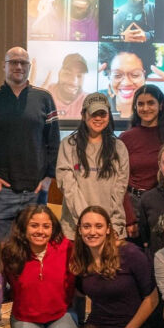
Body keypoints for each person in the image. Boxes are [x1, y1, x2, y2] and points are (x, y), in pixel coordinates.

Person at [0, 47, 60, 239]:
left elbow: (54, 142)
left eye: (23, 63)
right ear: (4, 66)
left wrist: (48, 178)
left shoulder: (44, 98)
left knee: (33, 249)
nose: (19, 66)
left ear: (29, 67)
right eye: (13, 62)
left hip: (35, 191)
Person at [68, 206, 158, 328]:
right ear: (79, 230)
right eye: (86, 226)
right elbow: (78, 291)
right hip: (99, 322)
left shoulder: (130, 253)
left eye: (98, 226)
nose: (92, 232)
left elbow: (152, 298)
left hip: (134, 325)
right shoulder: (82, 257)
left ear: (108, 229)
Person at [2, 205, 77, 328]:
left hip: (60, 313)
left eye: (46, 226)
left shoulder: (66, 248)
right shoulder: (10, 251)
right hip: (25, 315)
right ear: (24, 227)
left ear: (53, 228)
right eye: (34, 225)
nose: (40, 231)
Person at [56, 93, 129, 239]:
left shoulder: (119, 147)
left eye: (103, 114)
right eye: (93, 114)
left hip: (109, 227)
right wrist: (87, 222)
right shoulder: (68, 145)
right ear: (83, 115)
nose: (98, 118)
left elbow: (119, 189)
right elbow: (68, 187)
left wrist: (110, 224)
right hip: (75, 228)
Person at [118, 85, 164, 235]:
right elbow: (119, 181)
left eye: (150, 103)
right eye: (140, 104)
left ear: (160, 105)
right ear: (135, 107)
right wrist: (129, 218)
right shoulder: (126, 138)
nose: (145, 108)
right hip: (133, 205)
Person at [102, 43, 163, 120]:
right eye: (117, 75)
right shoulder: (98, 100)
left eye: (135, 75)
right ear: (109, 75)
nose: (126, 83)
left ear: (144, 75)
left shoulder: (158, 102)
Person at [45, 53, 88, 119]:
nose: (73, 82)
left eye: (79, 76)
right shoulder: (45, 94)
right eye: (68, 73)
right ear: (59, 74)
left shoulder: (88, 102)